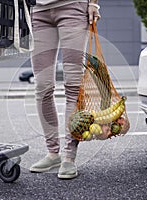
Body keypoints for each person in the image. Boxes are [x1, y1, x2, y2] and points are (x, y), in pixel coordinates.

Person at [29, 0, 101, 179]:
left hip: (73, 7)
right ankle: (53, 153)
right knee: (42, 87)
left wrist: (93, 4)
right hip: (38, 11)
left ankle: (69, 156)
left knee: (73, 86)